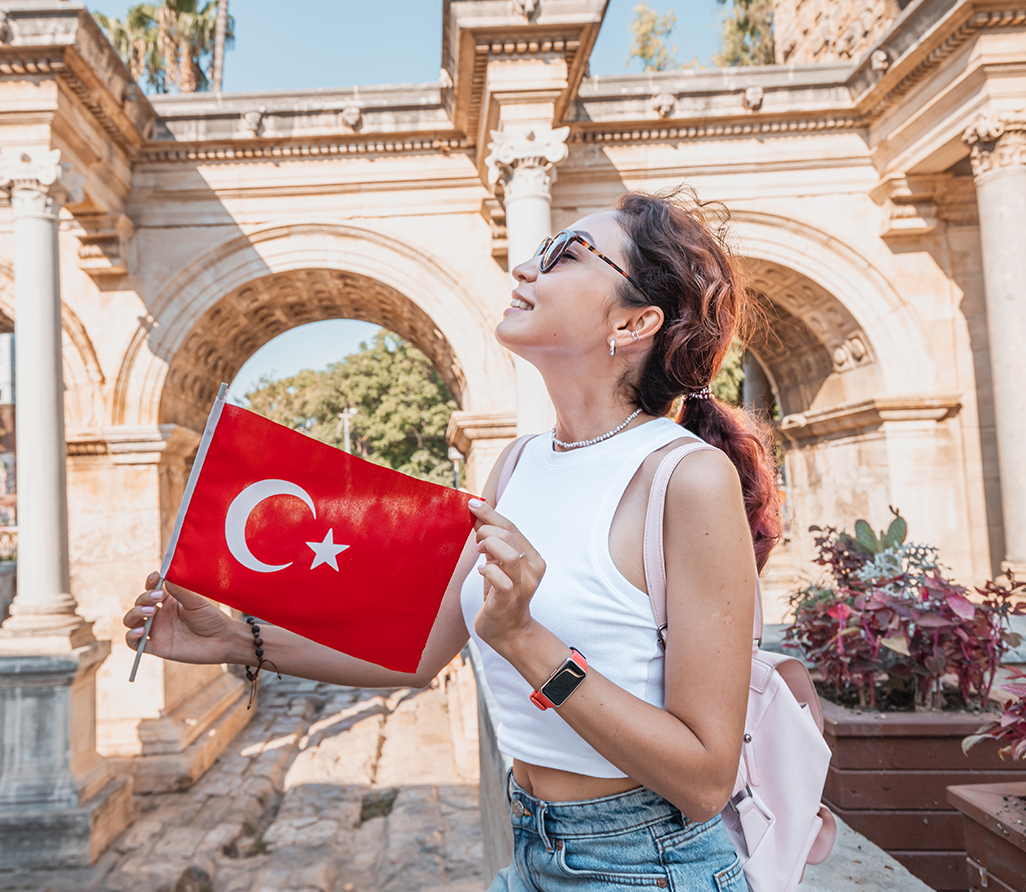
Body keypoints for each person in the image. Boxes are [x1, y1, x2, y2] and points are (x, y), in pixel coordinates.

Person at [123, 188, 781, 891]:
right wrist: (232, 640)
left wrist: (525, 640)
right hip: (529, 848)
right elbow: (418, 655)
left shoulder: (686, 477)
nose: (526, 268)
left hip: (648, 865)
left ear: (635, 320)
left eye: (565, 254)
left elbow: (706, 779)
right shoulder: (519, 463)